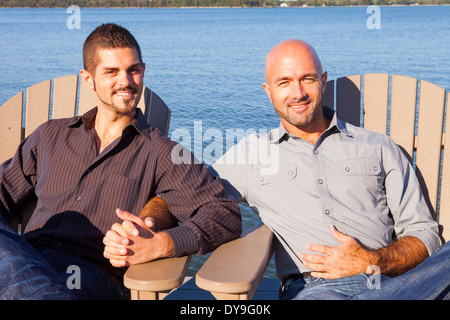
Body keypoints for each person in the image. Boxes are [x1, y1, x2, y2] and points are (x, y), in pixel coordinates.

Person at [114, 39, 448, 300]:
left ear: (324, 81)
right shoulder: (252, 154)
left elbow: (424, 234)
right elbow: (183, 193)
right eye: (284, 82)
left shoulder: (380, 147)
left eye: (307, 79)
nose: (298, 93)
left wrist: (371, 260)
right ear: (268, 91)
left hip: (398, 283)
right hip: (318, 290)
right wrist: (152, 229)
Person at [0, 23, 241, 300]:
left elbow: (224, 214)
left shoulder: (162, 152)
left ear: (143, 71)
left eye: (133, 70)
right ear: (88, 79)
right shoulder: (50, 136)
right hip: (24, 261)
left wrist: (163, 243)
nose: (126, 81)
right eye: (111, 72)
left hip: (88, 277)